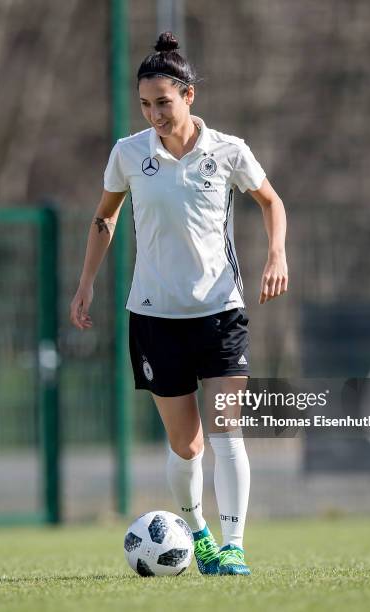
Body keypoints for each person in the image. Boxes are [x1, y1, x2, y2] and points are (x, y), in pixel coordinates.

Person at [70, 31, 288, 576]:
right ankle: (199, 536)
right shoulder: (128, 153)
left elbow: (271, 201)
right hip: (154, 317)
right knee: (187, 446)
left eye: (162, 103)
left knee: (226, 429)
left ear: (188, 95)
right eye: (145, 105)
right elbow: (105, 217)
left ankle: (234, 546)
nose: (154, 115)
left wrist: (276, 255)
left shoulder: (229, 151)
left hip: (220, 312)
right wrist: (86, 282)